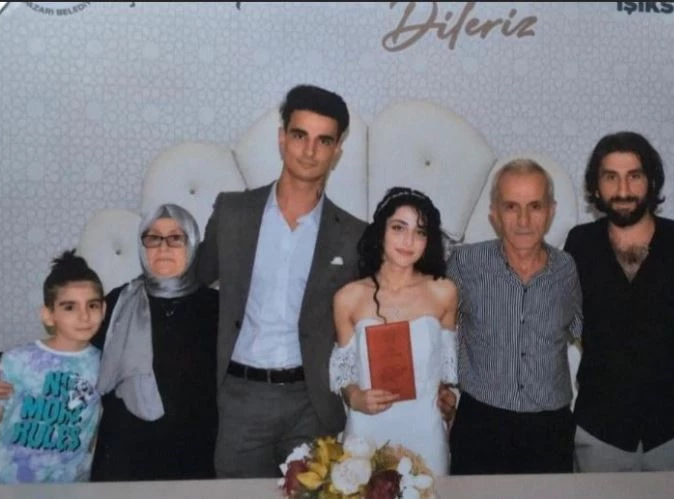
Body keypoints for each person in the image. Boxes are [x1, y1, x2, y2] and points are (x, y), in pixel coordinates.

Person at [196, 84, 367, 478]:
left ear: (337, 150)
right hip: (241, 398)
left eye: (324, 140)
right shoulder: (234, 213)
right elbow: (193, 281)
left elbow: (375, 315)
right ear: (281, 138)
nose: (310, 151)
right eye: (300, 135)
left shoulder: (353, 235)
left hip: (314, 402)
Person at [0, 203, 219, 481]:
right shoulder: (119, 302)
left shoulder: (217, 308)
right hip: (123, 456)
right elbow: (69, 339)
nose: (163, 247)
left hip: (192, 455)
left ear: (193, 244)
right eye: (153, 238)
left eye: (175, 238)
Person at [565, 131, 674, 472]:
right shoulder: (579, 244)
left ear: (651, 182)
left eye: (634, 176)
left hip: (671, 430)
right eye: (611, 177)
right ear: (596, 186)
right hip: (599, 432)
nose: (623, 190)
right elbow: (556, 321)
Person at [446, 158, 582, 475]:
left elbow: (595, 333)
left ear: (551, 211)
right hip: (481, 424)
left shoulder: (567, 269)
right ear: (494, 213)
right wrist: (439, 389)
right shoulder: (465, 264)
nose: (523, 220)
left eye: (535, 206)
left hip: (551, 428)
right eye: (511, 207)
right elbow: (435, 332)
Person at [329, 187, 458, 475]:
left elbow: (446, 375)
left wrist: (448, 398)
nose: (408, 241)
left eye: (420, 232)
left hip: (425, 430)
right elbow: (343, 374)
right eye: (399, 228)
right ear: (381, 231)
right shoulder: (348, 297)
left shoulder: (443, 292)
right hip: (367, 431)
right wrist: (355, 398)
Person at [0, 250, 105, 483]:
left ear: (104, 310)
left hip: (70, 488)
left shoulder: (106, 364)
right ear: (48, 315)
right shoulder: (16, 361)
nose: (84, 316)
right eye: (69, 307)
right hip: (5, 486)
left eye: (92, 305)